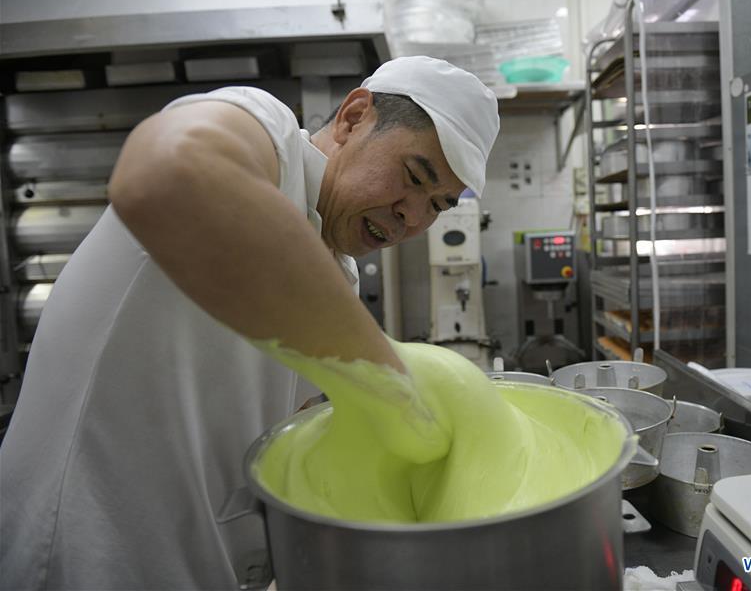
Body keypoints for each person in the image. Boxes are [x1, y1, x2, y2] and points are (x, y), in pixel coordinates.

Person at [0, 56, 499, 590]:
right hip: (82, 561)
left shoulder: (336, 272)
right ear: (355, 117)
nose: (414, 217)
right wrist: (389, 381)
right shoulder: (268, 137)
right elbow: (166, 170)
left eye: (438, 205)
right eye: (413, 176)